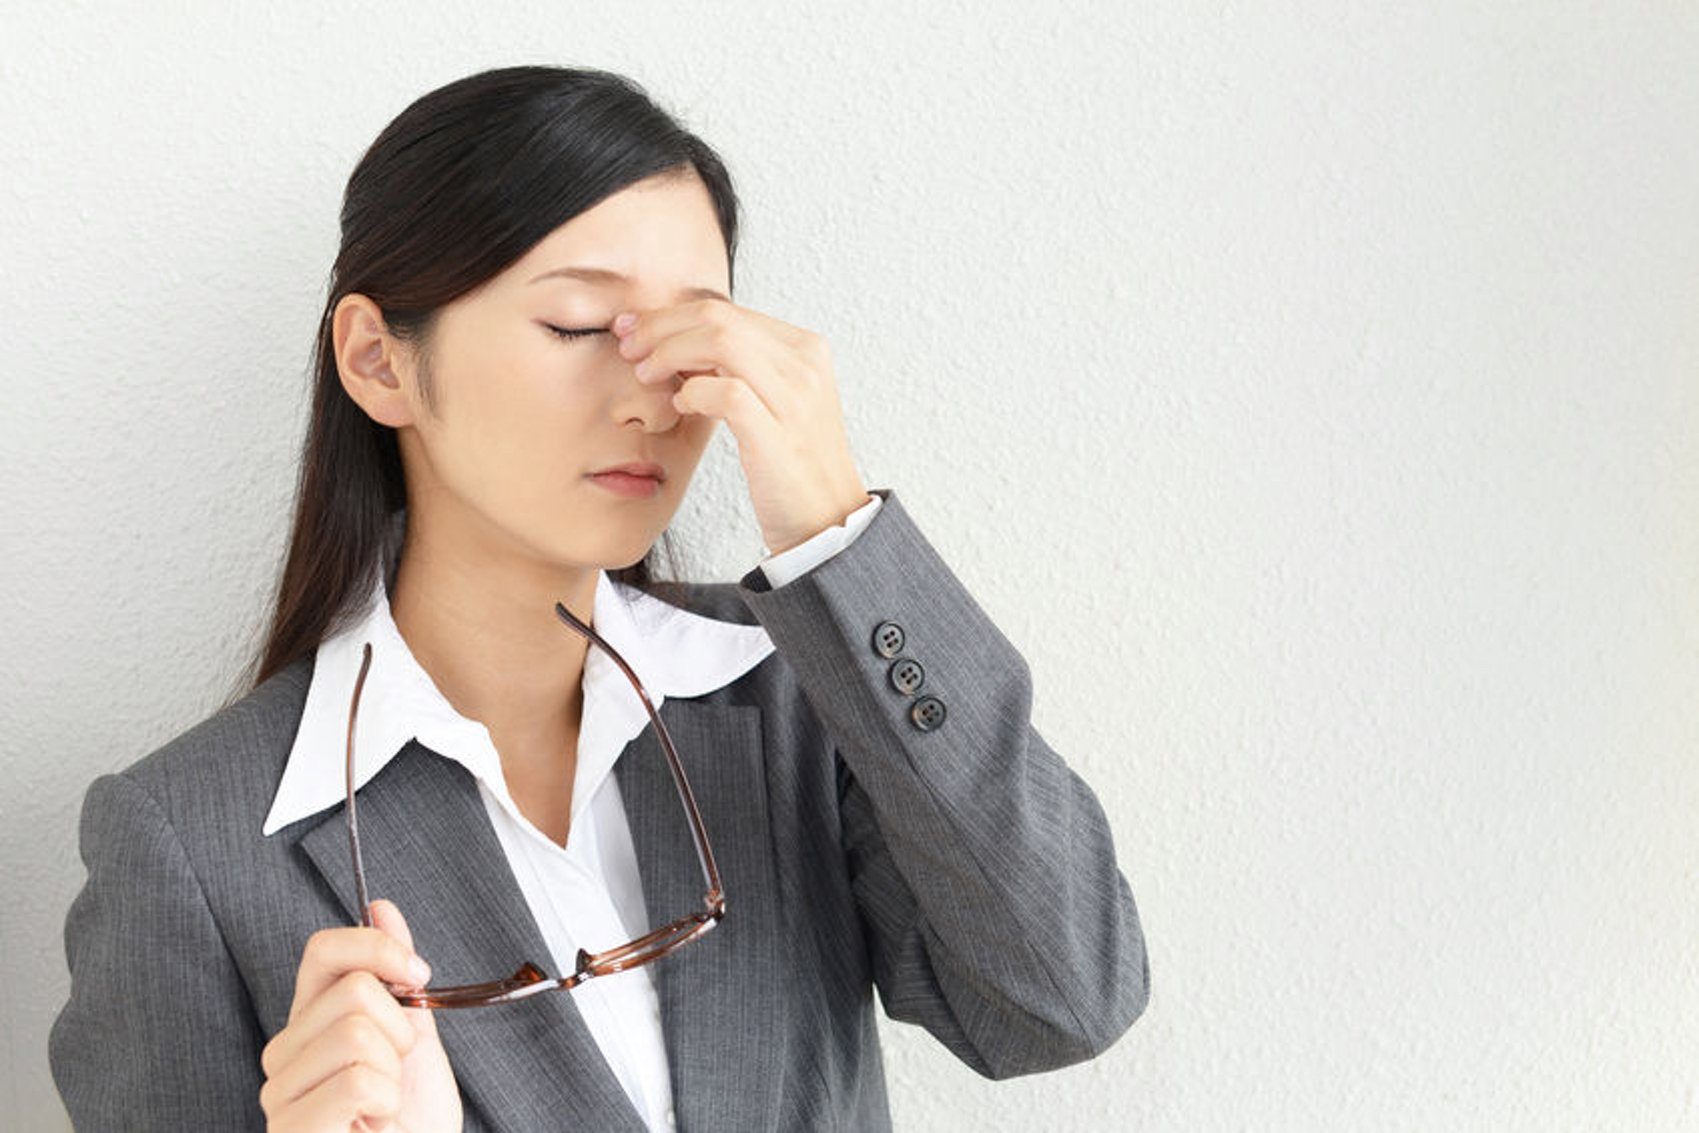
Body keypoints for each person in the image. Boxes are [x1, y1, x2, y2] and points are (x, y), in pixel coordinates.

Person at [48, 64, 1149, 1132]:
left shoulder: (799, 687)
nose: (651, 399)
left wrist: (836, 534)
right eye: (579, 327)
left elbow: (1061, 995)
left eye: (689, 337)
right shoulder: (190, 841)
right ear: (379, 360)